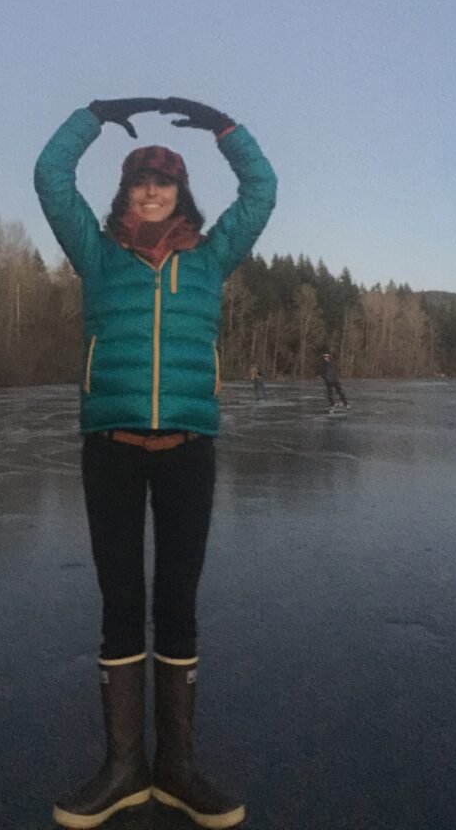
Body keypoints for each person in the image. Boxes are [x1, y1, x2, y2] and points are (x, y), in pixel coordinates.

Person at [34, 96, 277, 829]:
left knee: (176, 605)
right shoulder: (96, 252)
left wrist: (226, 130)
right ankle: (122, 770)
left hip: (186, 451)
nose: (151, 189)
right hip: (109, 448)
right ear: (125, 191)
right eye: (140, 180)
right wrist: (93, 115)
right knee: (119, 605)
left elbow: (261, 190)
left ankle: (174, 769)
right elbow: (50, 176)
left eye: (163, 182)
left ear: (180, 194)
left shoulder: (211, 257)